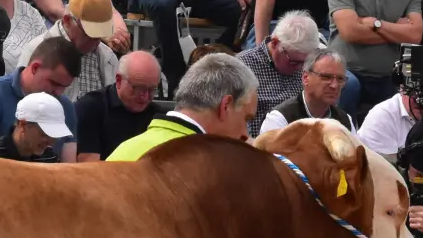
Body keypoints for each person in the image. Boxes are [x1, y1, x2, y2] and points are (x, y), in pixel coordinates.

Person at [107, 52, 258, 159]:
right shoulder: (210, 167)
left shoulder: (123, 150)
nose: (246, 135)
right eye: (246, 119)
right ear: (225, 106)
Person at [0, 36, 81, 159]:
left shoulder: (66, 108)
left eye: (64, 87)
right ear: (35, 68)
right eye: (54, 83)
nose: (58, 92)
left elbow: (67, 170)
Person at [74, 50, 162, 161]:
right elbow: (89, 166)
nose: (145, 97)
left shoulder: (156, 116)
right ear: (119, 80)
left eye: (152, 90)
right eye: (138, 88)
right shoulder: (91, 108)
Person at [257, 48, 354, 135]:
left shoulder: (345, 121)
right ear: (305, 78)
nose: (334, 85)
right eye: (326, 77)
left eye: (340, 79)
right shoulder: (280, 119)